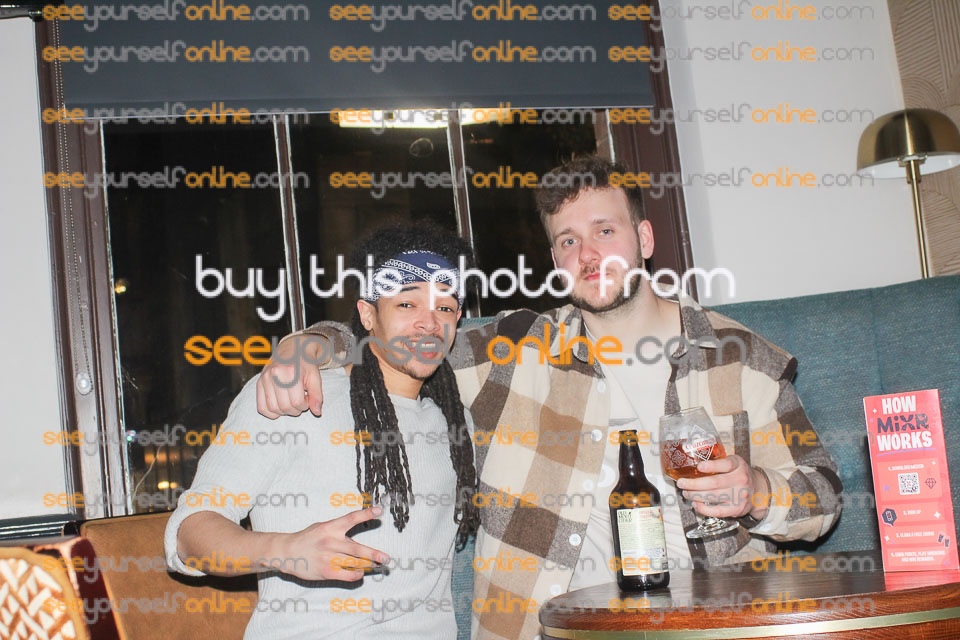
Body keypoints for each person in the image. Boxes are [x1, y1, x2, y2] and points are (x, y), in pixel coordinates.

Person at [256, 155, 843, 640]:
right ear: (556, 261)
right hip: (544, 629)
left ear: (643, 239)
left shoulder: (742, 357)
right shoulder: (514, 351)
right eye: (568, 241)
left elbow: (823, 496)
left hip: (707, 625)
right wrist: (308, 343)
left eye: (604, 231)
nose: (588, 255)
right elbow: (398, 339)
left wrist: (756, 491)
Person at [164, 224, 481, 639]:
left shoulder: (457, 425)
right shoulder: (292, 395)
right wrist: (285, 550)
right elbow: (188, 534)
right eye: (407, 303)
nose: (429, 323)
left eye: (445, 307)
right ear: (368, 314)